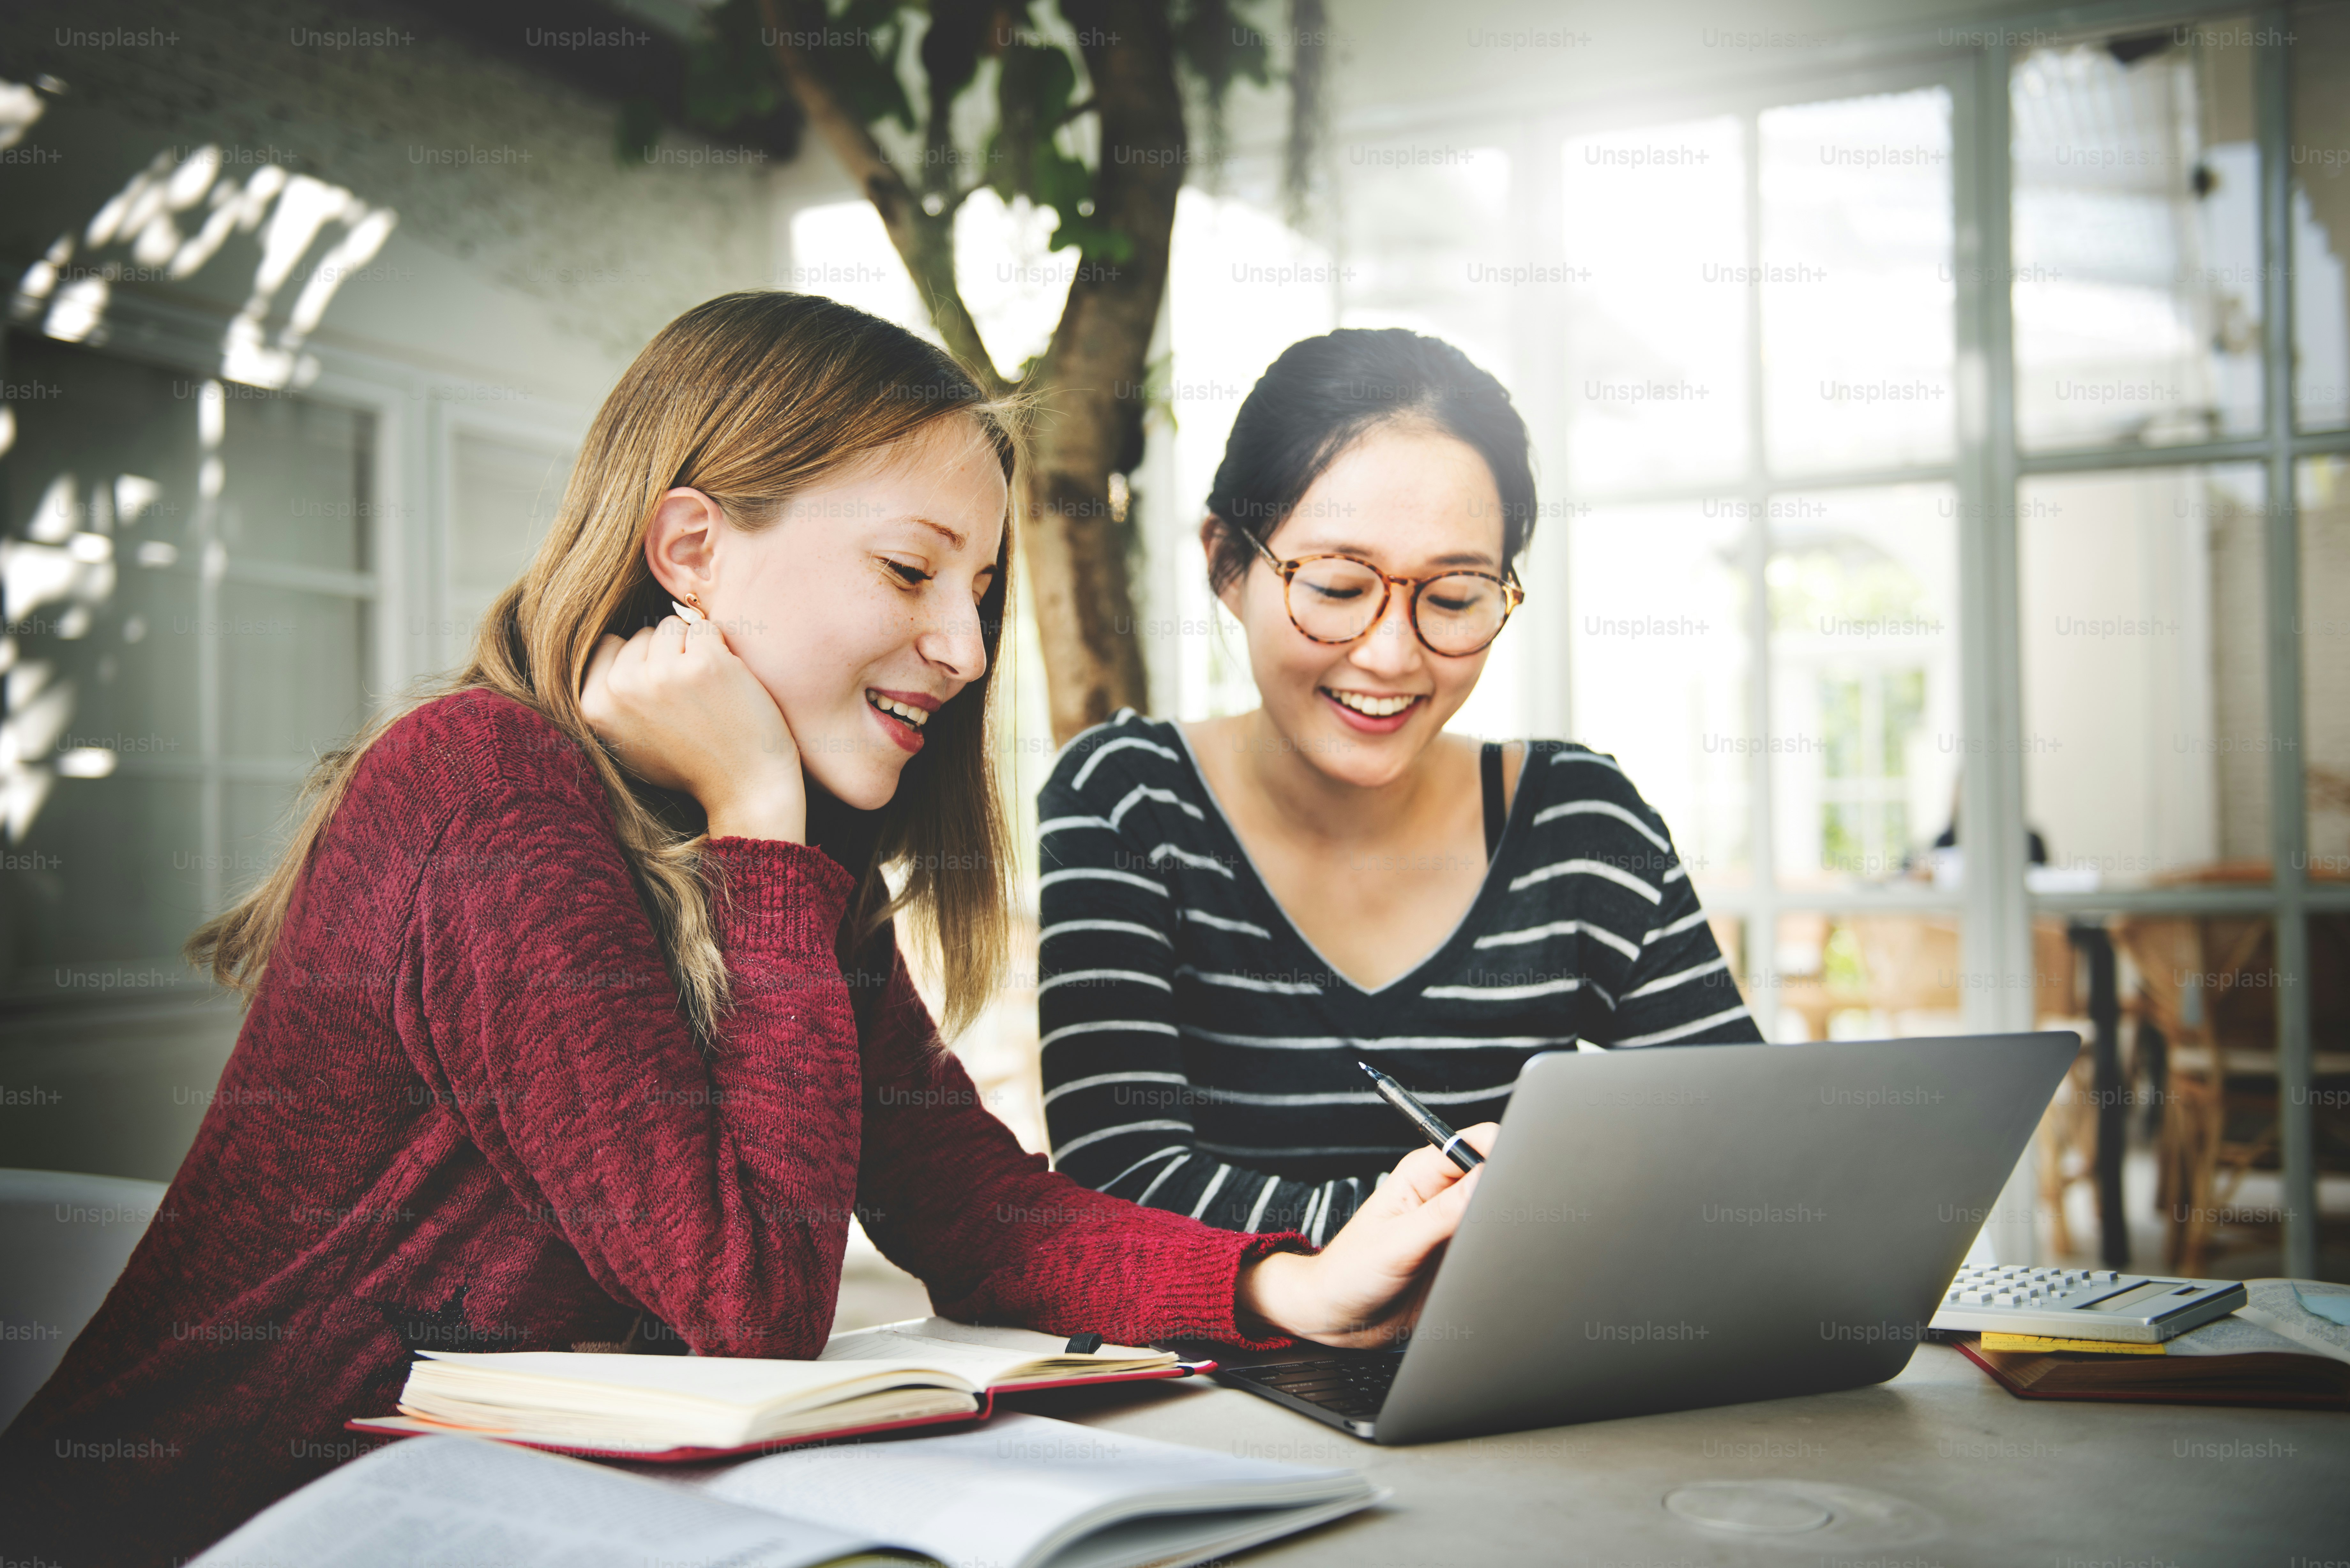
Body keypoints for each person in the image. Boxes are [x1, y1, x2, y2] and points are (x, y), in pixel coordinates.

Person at [0, 295, 1489, 1568]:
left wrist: (1294, 1280)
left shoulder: (778, 870)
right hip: (200, 1532)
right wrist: (757, 818)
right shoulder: (484, 786)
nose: (966, 652)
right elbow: (750, 1303)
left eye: (977, 594)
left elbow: (972, 1206)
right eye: (911, 572)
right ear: (691, 547)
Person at [1038, 328, 1757, 1241]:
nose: (1390, 655)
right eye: (1338, 587)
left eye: (1455, 598)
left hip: (1522, 1363)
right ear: (1227, 562)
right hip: (1222, 1377)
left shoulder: (1577, 823)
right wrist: (1488, 1229)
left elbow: (1741, 1153)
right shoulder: (1132, 801)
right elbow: (1119, 1183)